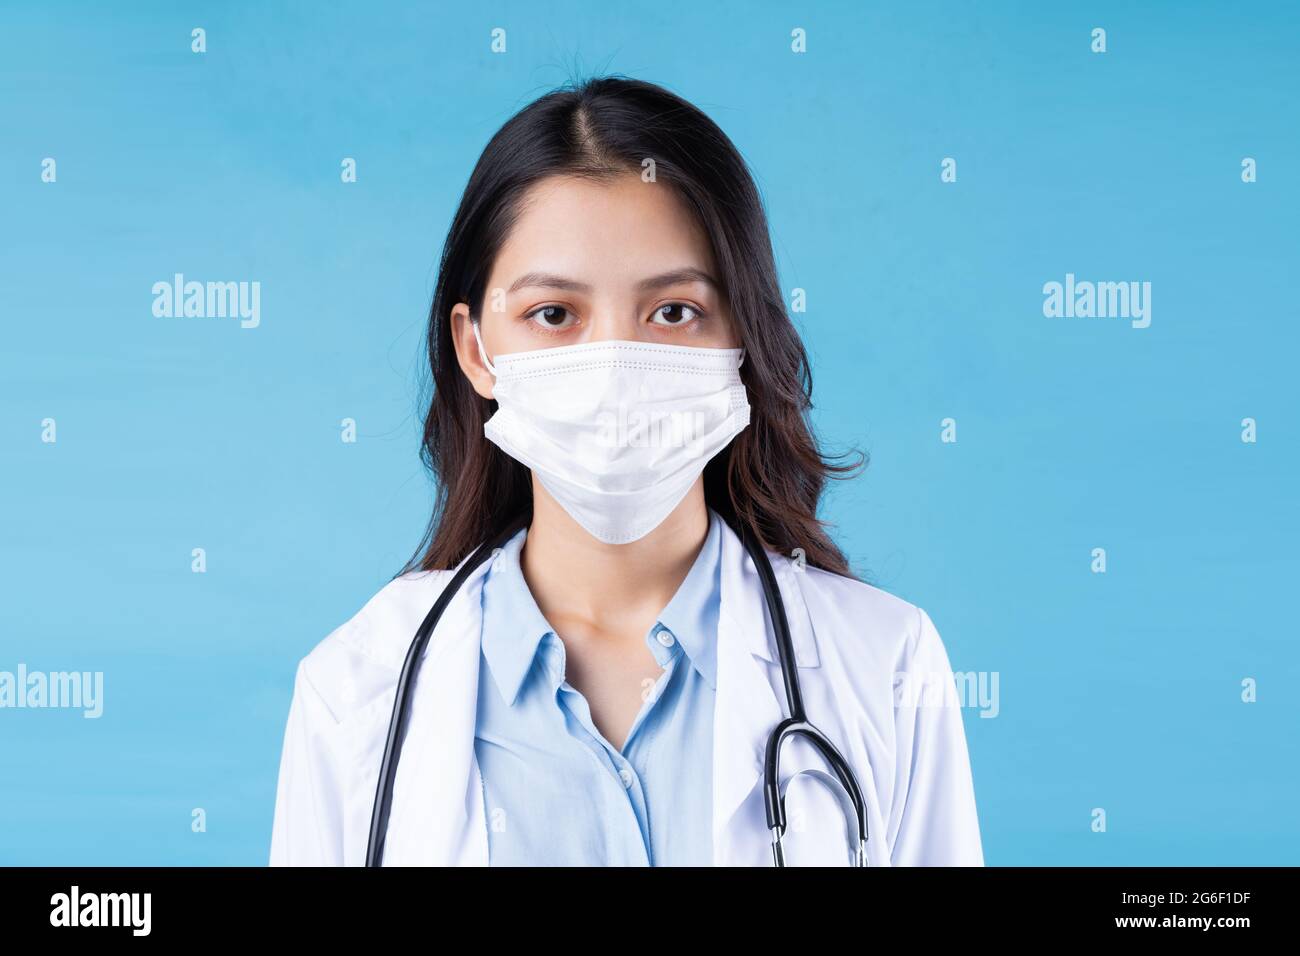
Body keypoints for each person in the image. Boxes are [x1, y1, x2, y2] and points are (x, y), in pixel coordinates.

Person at [269, 75, 983, 867]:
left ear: (742, 338)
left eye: (673, 312)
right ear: (477, 351)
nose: (612, 367)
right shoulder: (355, 690)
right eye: (554, 314)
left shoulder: (885, 664)